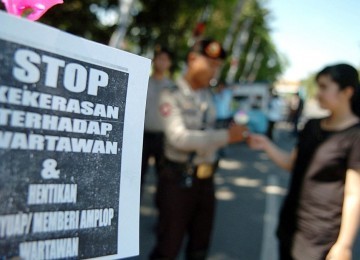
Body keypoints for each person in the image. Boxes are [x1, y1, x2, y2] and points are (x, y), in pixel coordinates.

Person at [248, 63, 360, 260]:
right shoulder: (312, 126)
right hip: (292, 224)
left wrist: (344, 244)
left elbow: (354, 194)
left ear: (347, 92)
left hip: (321, 234)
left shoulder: (354, 136)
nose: (318, 93)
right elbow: (293, 164)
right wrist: (266, 144)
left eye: (324, 87)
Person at [150, 39, 248, 260]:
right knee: (168, 246)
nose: (215, 71)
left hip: (206, 180)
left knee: (200, 246)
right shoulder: (170, 94)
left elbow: (208, 127)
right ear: (192, 59)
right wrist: (226, 136)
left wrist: (229, 127)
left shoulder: (207, 96)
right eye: (211, 64)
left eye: (218, 66)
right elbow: (179, 138)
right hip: (177, 180)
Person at [141, 46, 173, 190]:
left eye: (166, 60)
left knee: (164, 177)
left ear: (169, 63)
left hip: (162, 137)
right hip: (143, 136)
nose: (162, 62)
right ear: (154, 60)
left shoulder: (171, 87)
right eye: (160, 58)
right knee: (138, 175)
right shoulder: (143, 83)